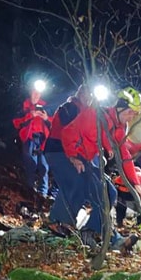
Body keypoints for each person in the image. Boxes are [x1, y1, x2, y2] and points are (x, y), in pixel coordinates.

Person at [61, 87, 141, 249]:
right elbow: (69, 133)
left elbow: (125, 156)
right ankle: (93, 233)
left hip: (87, 160)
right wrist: (72, 157)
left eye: (134, 114)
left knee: (110, 192)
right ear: (119, 108)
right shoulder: (96, 114)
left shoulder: (118, 127)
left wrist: (135, 184)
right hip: (73, 156)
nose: (130, 117)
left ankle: (108, 236)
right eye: (129, 112)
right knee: (102, 193)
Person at [43, 85, 87, 233]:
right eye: (87, 95)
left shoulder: (81, 111)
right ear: (80, 94)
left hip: (63, 151)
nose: (90, 99)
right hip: (57, 150)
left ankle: (65, 221)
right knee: (72, 181)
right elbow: (67, 132)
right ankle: (56, 220)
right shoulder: (70, 107)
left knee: (75, 182)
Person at [13, 86, 51, 202]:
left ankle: (42, 194)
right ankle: (29, 192)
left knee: (44, 166)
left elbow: (54, 123)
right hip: (29, 139)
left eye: (38, 93)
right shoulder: (24, 106)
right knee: (31, 165)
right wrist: (31, 115)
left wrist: (46, 118)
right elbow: (16, 122)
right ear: (30, 92)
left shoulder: (45, 106)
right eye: (34, 92)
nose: (36, 95)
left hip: (42, 140)